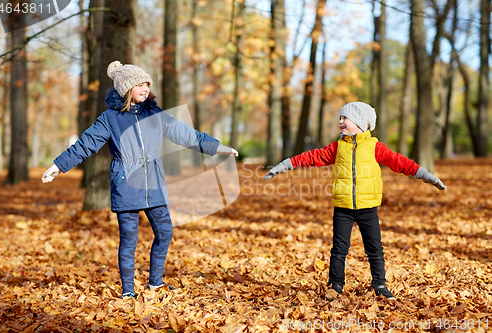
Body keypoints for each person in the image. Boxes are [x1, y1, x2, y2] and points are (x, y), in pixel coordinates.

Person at [42, 61, 238, 299]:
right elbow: (85, 144)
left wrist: (218, 147)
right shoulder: (109, 118)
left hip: (153, 182)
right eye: (140, 84)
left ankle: (155, 283)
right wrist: (58, 165)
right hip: (126, 183)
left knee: (165, 232)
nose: (146, 88)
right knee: (129, 240)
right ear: (126, 88)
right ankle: (128, 292)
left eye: (147, 83)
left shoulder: (154, 114)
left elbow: (185, 134)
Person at [264, 102, 446, 300]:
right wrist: (284, 165)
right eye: (340, 118)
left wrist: (426, 176)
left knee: (375, 249)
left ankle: (380, 284)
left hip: (368, 208)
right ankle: (336, 285)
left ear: (359, 122)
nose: (340, 121)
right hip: (343, 208)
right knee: (339, 249)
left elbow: (399, 162)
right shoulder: (337, 147)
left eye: (345, 118)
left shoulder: (374, 146)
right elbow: (311, 157)